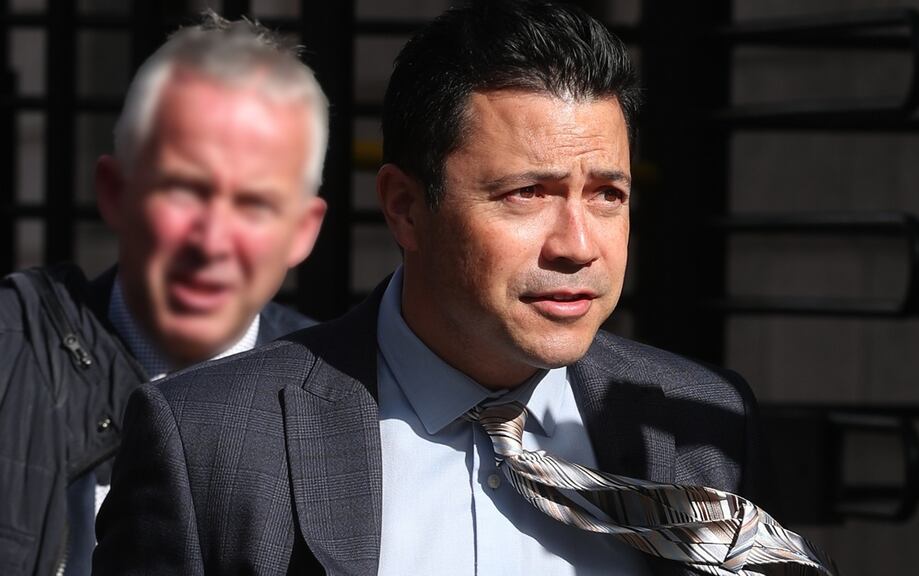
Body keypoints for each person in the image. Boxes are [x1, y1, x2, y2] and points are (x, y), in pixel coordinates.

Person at [94, 2, 836, 575]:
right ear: (406, 208)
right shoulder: (211, 441)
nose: (578, 245)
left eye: (607, 194)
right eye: (525, 194)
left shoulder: (701, 430)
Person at [0, 11, 328, 576]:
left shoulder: (353, 406)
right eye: (183, 190)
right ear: (114, 192)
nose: (212, 241)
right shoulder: (10, 355)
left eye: (254, 203)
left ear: (303, 231)